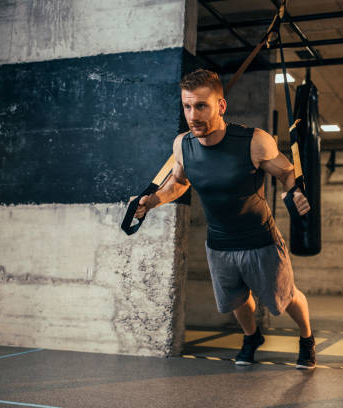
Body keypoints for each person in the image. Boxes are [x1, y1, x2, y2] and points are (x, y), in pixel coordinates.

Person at [134, 68, 316, 369]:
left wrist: (294, 190)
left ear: (221, 106)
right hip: (219, 245)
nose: (193, 115)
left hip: (261, 241)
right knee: (237, 301)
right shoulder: (183, 145)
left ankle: (307, 338)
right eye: (187, 106)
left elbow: (285, 171)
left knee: (285, 299)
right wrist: (152, 201)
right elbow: (179, 182)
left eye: (201, 106)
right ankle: (251, 337)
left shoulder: (254, 141)